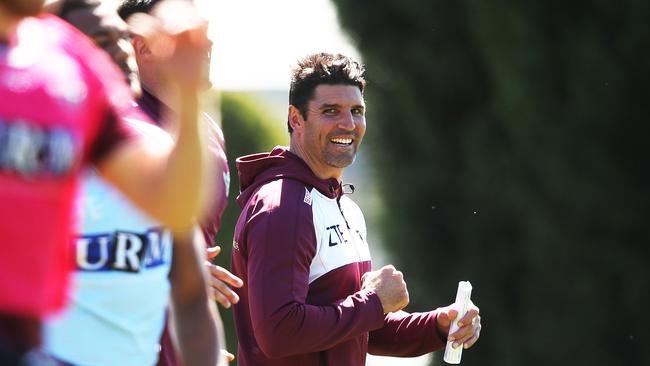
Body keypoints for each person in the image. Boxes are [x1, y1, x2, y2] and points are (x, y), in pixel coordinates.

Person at [230, 52, 482, 365]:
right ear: (296, 119)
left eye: (357, 111)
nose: (348, 124)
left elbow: (359, 328)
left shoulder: (344, 207)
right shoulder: (282, 208)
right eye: (330, 111)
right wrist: (375, 301)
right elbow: (279, 333)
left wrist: (436, 327)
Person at [0, 0, 216, 364]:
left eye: (122, 38)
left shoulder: (68, 59)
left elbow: (173, 204)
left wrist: (188, 94)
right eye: (103, 39)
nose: (119, 52)